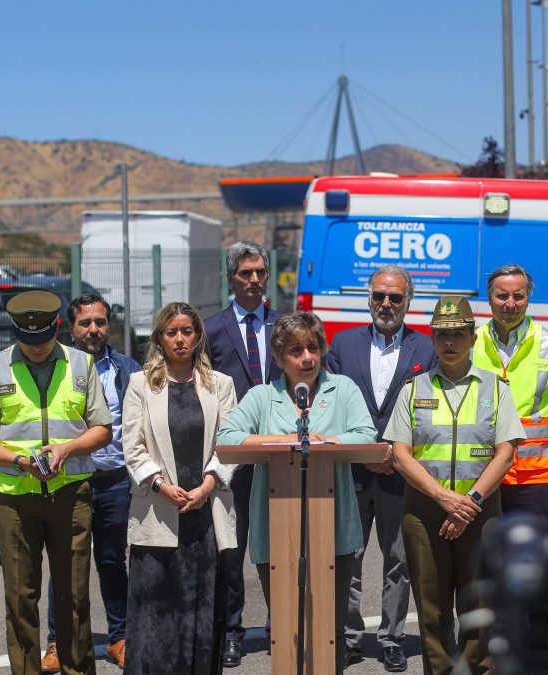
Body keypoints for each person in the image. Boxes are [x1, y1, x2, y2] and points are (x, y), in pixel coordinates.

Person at [217, 312, 377, 673]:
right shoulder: (261, 396)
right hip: (276, 529)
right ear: (278, 358)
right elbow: (227, 439)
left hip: (332, 529)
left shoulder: (344, 389)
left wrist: (326, 441)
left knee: (328, 629)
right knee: (288, 625)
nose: (307, 357)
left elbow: (366, 435)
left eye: (313, 347)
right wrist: (284, 441)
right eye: (295, 350)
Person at [0, 290, 112, 675]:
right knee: (20, 600)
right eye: (26, 340)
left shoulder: (81, 364)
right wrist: (18, 461)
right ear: (15, 331)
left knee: (74, 597)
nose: (34, 347)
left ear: (57, 328)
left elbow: (103, 431)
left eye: (42, 340)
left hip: (70, 495)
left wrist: (68, 449)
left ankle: (78, 670)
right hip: (15, 499)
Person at [384, 296, 524, 675]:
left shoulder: (495, 388)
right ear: (432, 337)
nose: (449, 342)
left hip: (480, 513)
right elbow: (400, 454)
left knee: (479, 606)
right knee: (431, 609)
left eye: (457, 334)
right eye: (442, 334)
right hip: (426, 513)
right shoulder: (413, 389)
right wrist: (444, 498)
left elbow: (506, 453)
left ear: (472, 336)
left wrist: (470, 501)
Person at [325, 264, 436, 673]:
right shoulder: (342, 344)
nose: (385, 304)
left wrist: (392, 451)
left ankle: (391, 639)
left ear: (408, 302)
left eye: (395, 298)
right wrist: (365, 450)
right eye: (378, 296)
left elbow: (429, 410)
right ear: (368, 298)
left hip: (401, 474)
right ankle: (351, 637)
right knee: (348, 558)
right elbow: (331, 405)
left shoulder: (425, 349)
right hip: (352, 473)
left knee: (399, 560)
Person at [123, 302, 238, 675]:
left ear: (198, 335)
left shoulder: (220, 385)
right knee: (156, 612)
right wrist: (160, 485)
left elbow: (231, 444)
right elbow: (132, 447)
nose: (179, 339)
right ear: (160, 337)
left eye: (187, 331)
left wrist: (206, 487)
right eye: (171, 332)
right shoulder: (141, 384)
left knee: (199, 609)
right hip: (158, 512)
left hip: (204, 514)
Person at [471, 263, 548, 657]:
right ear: (489, 298)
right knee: (488, 569)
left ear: (529, 297)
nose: (510, 303)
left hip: (537, 479)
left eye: (518, 295)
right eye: (501, 295)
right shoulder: (473, 340)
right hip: (483, 477)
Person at [39, 293, 140, 673]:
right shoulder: (55, 368)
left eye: (100, 322)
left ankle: (119, 637)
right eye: (86, 323)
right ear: (71, 327)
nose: (94, 329)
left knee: (113, 562)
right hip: (69, 482)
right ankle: (56, 642)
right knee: (64, 563)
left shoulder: (127, 369)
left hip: (114, 482)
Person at [203, 240, 283, 667]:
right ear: (231, 277)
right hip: (233, 454)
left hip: (280, 452)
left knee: (280, 545)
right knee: (231, 548)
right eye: (246, 274)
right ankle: (231, 631)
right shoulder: (211, 330)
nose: (254, 281)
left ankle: (279, 624)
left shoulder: (286, 326)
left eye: (260, 273)